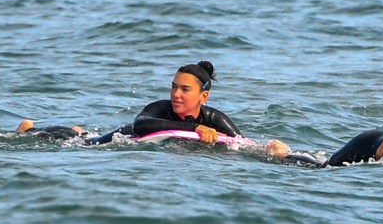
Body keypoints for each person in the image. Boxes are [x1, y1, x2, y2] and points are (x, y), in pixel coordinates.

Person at [16, 61, 290, 157]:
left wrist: (271, 149)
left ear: (203, 96)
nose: (176, 94)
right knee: (79, 141)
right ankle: (32, 128)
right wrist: (195, 129)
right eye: (173, 87)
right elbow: (141, 126)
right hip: (113, 139)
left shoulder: (214, 118)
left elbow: (240, 143)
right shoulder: (160, 108)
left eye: (185, 89)